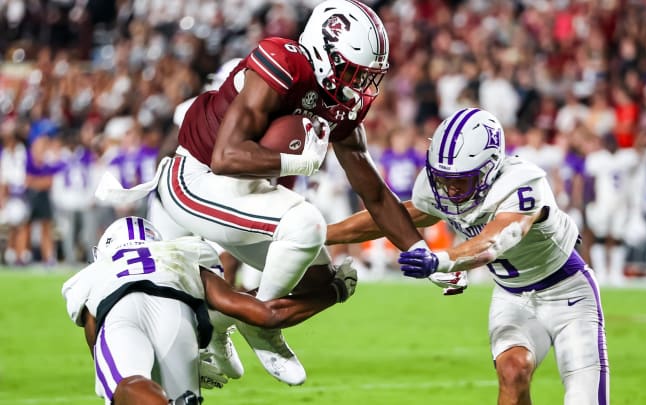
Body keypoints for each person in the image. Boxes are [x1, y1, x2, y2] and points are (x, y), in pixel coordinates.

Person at [146, 0, 428, 385]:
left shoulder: (340, 101)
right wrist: (294, 162)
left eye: (366, 75)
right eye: (351, 71)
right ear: (324, 51)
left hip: (246, 190)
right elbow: (225, 156)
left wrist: (422, 251)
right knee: (307, 224)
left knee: (325, 285)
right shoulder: (283, 62)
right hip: (195, 179)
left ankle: (222, 321)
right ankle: (262, 323)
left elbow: (374, 192)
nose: (358, 84)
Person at [326, 108, 610, 405]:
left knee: (583, 398)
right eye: (443, 177)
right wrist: (323, 233)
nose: (449, 187)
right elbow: (393, 217)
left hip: (567, 291)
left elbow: (495, 241)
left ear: (489, 169)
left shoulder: (523, 184)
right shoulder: (444, 186)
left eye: (460, 179)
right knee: (512, 370)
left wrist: (442, 260)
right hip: (512, 294)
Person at [61, 216, 357, 404]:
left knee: (127, 385)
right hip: (178, 320)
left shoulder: (97, 271)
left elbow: (97, 339)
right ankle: (214, 335)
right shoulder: (181, 254)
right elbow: (265, 313)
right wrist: (335, 291)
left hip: (120, 313)